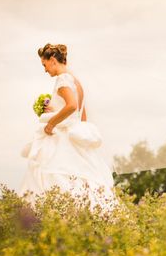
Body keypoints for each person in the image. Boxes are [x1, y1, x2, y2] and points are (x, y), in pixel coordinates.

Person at [20, 43, 117, 212]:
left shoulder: (63, 79)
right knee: (82, 181)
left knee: (52, 177)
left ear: (52, 60)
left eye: (44, 65)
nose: (45, 70)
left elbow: (71, 106)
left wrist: (51, 123)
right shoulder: (76, 82)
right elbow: (81, 117)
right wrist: (56, 111)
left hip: (61, 139)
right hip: (74, 138)